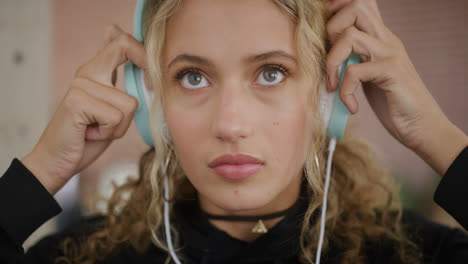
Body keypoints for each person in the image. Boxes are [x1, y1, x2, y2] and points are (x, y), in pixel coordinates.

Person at [1, 0, 468, 263]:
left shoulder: (417, 255)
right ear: (152, 104)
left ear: (327, 98)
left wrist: (435, 136)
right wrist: (43, 168)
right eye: (192, 77)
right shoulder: (82, 258)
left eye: (271, 72)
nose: (230, 125)